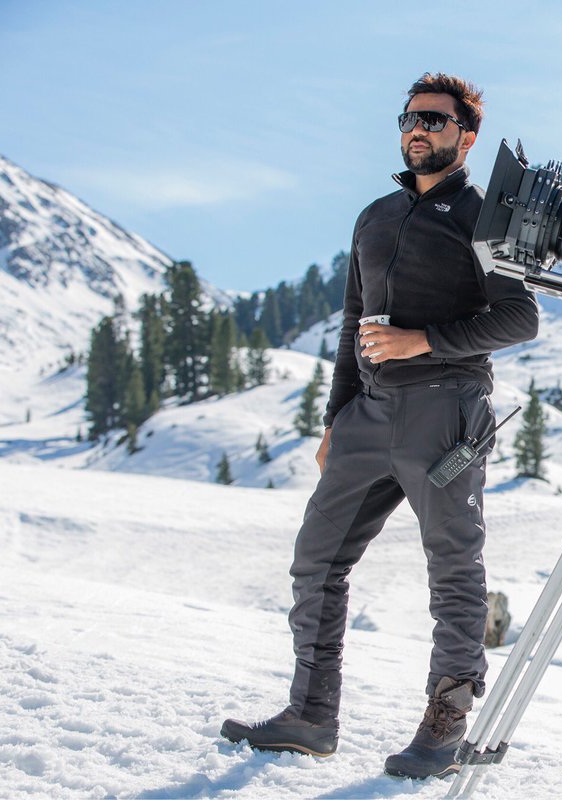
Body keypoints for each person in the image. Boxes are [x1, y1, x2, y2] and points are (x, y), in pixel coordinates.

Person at [221, 73, 539, 779]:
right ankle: (310, 716)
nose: (417, 129)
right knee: (317, 559)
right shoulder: (374, 217)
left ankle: (445, 727)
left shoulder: (485, 217)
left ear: (467, 136)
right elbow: (351, 325)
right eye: (409, 118)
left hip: (446, 411)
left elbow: (521, 317)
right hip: (367, 413)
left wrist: (422, 341)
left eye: (435, 119)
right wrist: (336, 419)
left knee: (452, 569)